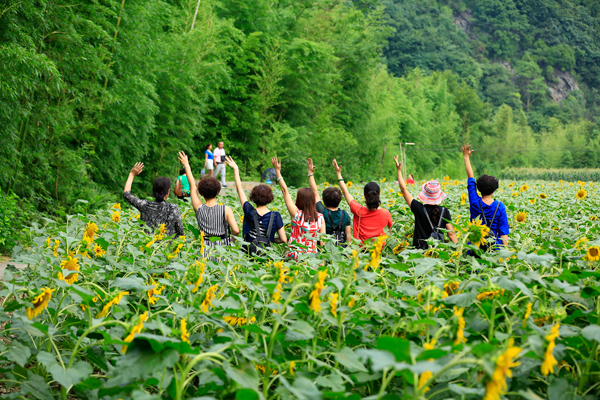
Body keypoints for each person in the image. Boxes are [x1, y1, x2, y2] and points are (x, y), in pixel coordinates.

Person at [178, 151, 239, 258]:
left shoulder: (198, 207)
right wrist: (231, 241)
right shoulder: (226, 210)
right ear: (218, 192)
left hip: (204, 248)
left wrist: (186, 165)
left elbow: (192, 185)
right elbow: (236, 230)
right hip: (221, 249)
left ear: (201, 193)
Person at [225, 156, 287, 251]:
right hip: (265, 254)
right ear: (270, 198)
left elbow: (239, 189)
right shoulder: (276, 216)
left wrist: (236, 169)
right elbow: (283, 239)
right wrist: (269, 239)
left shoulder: (248, 211)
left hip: (248, 253)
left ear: (253, 198)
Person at [394, 156, 457, 250]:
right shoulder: (445, 211)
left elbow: (404, 190)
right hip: (437, 252)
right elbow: (451, 234)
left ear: (425, 194)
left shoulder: (418, 208)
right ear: (438, 195)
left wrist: (399, 171)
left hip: (419, 252)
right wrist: (458, 251)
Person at [271, 156, 325, 259]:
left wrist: (277, 171)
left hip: (294, 256)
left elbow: (285, 191)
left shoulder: (296, 214)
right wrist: (310, 173)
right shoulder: (320, 218)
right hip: (312, 259)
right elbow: (323, 243)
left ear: (299, 199)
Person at [332, 159, 393, 243]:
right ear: (379, 194)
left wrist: (338, 173)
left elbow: (345, 192)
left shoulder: (358, 210)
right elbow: (388, 235)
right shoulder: (386, 214)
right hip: (379, 250)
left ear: (364, 195)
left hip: (360, 250)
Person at [462, 144, 509, 247]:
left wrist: (466, 157)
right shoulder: (500, 207)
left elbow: (470, 177)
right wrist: (506, 252)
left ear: (478, 188)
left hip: (475, 247)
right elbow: (503, 234)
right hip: (494, 248)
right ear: (494, 189)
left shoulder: (474, 202)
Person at [122, 162, 184, 237]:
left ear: (153, 190)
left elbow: (127, 194)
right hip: (166, 244)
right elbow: (180, 232)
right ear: (168, 192)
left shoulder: (145, 205)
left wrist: (131, 175)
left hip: (146, 243)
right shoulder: (173, 208)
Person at [307, 158, 351, 246]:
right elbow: (348, 237)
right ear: (340, 200)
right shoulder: (345, 214)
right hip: (341, 250)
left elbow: (315, 192)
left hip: (325, 250)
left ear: (324, 200)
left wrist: (310, 173)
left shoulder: (322, 211)